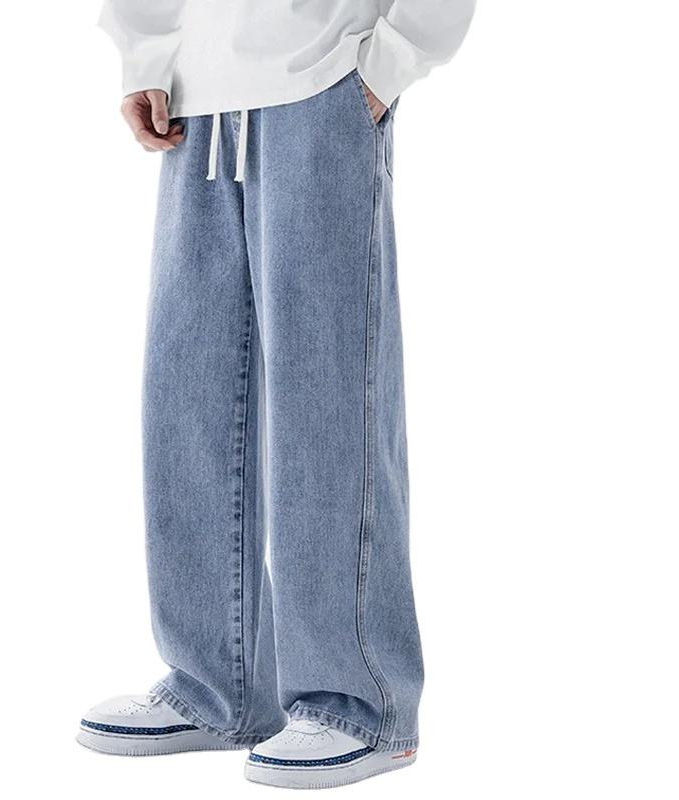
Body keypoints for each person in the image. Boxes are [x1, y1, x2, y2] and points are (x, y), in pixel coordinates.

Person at [78, 0, 475, 789]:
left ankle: (359, 704)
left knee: (326, 395)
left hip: (323, 79)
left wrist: (391, 60)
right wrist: (148, 55)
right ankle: (216, 684)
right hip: (198, 100)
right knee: (188, 394)